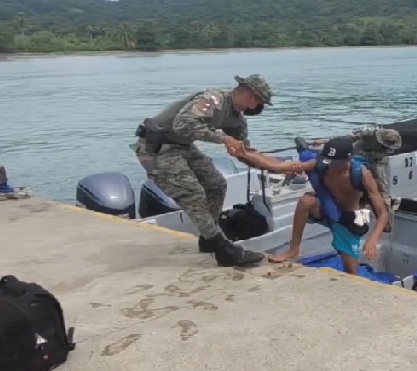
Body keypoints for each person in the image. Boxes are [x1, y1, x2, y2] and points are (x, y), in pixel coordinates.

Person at [131, 74, 273, 267]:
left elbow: (244, 151)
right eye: (259, 102)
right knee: (192, 193)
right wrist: (222, 139)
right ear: (251, 97)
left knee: (216, 184)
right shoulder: (214, 100)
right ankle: (223, 250)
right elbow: (182, 124)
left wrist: (273, 165)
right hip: (156, 148)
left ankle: (208, 238)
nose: (257, 108)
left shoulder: (236, 119)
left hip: (182, 146)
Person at [227, 136, 389, 274]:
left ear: (347, 160)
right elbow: (277, 167)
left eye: (335, 162)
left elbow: (382, 213)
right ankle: (294, 249)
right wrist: (243, 154)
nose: (330, 165)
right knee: (306, 201)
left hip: (353, 217)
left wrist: (373, 239)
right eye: (328, 161)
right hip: (328, 207)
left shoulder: (362, 174)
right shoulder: (319, 164)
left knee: (351, 270)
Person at [309, 128, 402, 232]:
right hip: (357, 156)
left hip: (375, 161)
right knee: (359, 191)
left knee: (381, 191)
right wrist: (324, 141)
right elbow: (347, 138)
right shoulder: (370, 132)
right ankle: (358, 220)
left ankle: (383, 219)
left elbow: (380, 162)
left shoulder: (389, 148)